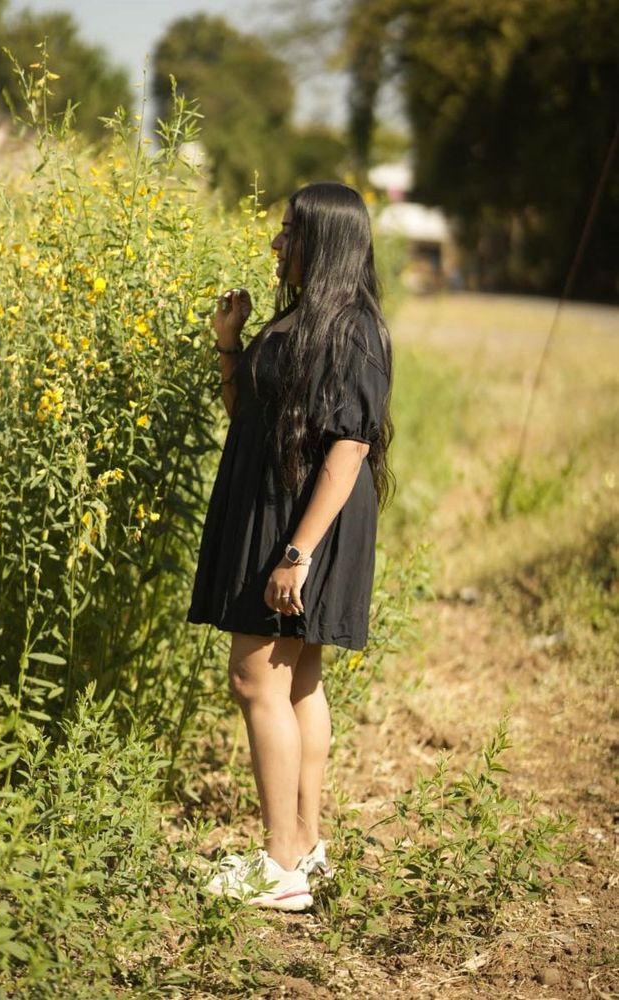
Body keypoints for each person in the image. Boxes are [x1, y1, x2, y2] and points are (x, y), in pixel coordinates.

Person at [187, 182, 394, 912]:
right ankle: (304, 849)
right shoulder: (303, 318)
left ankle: (279, 864)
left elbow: (350, 447)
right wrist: (230, 342)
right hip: (278, 513)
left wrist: (297, 552)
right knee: (297, 681)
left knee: (255, 678)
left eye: (290, 233)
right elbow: (250, 415)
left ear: (325, 242)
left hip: (303, 519)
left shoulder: (352, 328)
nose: (277, 244)